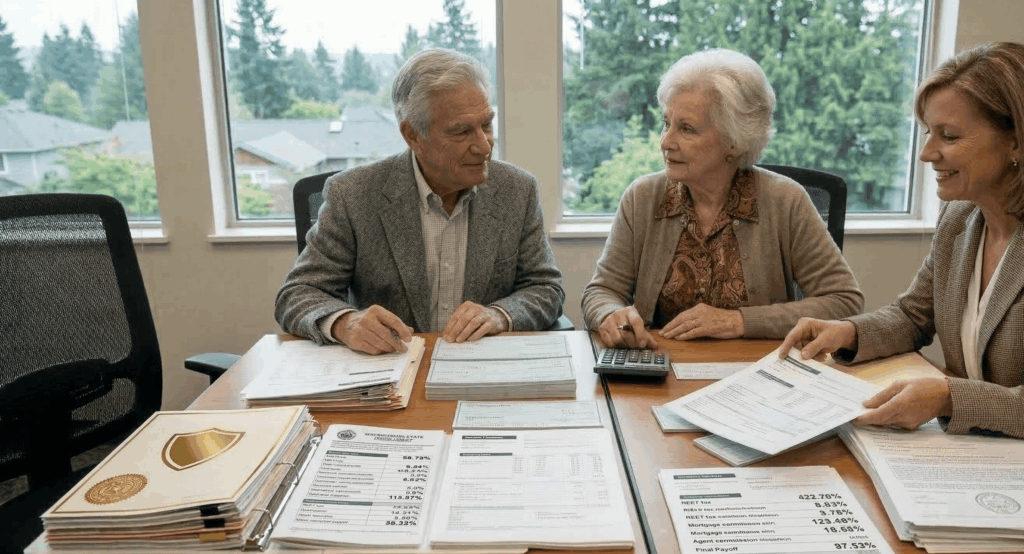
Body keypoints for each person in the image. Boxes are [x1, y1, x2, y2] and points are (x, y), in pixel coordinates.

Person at [780, 42, 1024, 439]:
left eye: (948, 135)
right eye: (929, 133)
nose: (927, 153)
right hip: (970, 454)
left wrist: (949, 398)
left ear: (1015, 140)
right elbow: (913, 317)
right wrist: (848, 332)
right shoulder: (960, 218)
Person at [275, 48, 564, 355]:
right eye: (462, 131)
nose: (483, 146)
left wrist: (499, 315)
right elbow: (297, 294)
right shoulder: (353, 194)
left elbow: (546, 290)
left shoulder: (517, 191)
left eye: (486, 125)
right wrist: (346, 323)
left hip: (483, 370)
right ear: (413, 135)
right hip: (392, 374)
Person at [582, 48, 863, 349]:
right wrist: (610, 314)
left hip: (757, 376)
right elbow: (601, 290)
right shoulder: (642, 198)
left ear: (733, 139)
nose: (665, 142)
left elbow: (844, 302)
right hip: (661, 368)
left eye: (686, 128)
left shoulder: (785, 201)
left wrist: (740, 321)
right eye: (667, 123)